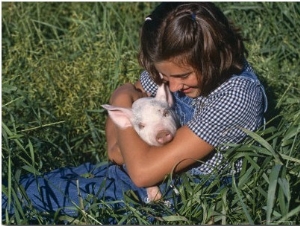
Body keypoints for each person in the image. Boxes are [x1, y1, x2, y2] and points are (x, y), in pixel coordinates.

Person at [2, 2, 268, 223]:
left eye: (183, 76)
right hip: (141, 171)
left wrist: (121, 104)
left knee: (24, 203)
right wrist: (121, 138)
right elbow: (118, 146)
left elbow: (141, 171)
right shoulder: (182, 67)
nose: (172, 86)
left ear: (213, 55)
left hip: (179, 194)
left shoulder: (236, 97)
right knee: (31, 189)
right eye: (164, 76)